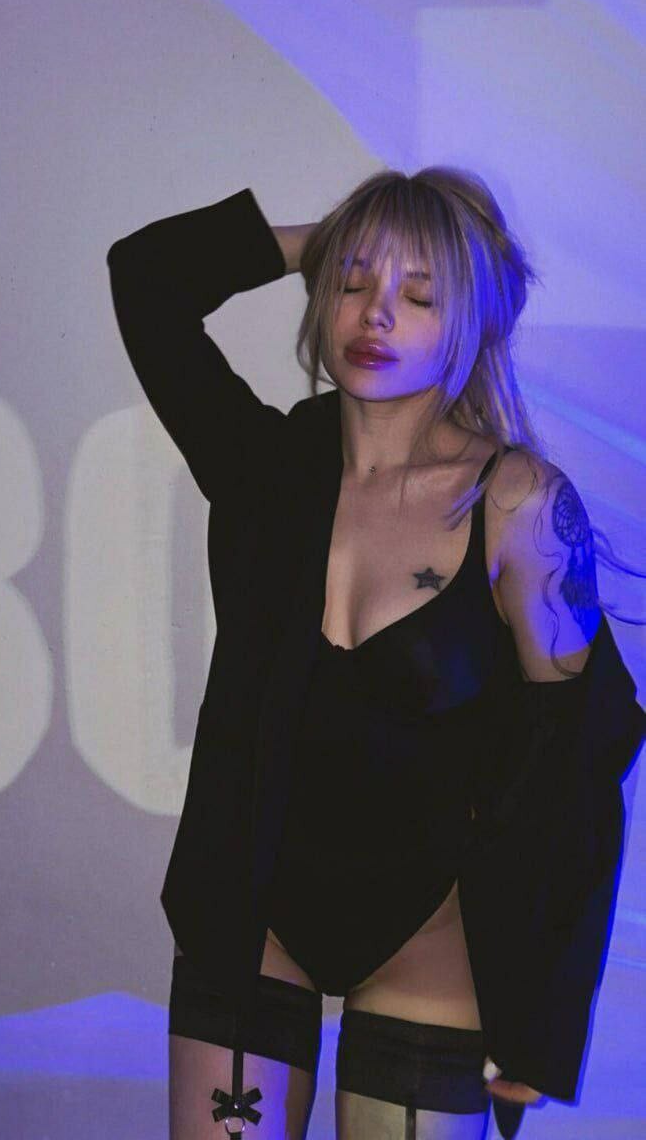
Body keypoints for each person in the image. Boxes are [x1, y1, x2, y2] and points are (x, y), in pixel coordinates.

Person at [106, 171, 645, 1140]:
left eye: (420, 292)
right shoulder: (264, 466)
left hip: (429, 935)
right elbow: (144, 277)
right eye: (352, 282)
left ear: (469, 319)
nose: (376, 313)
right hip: (252, 915)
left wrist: (540, 1021)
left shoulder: (515, 500)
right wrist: (323, 239)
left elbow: (577, 763)